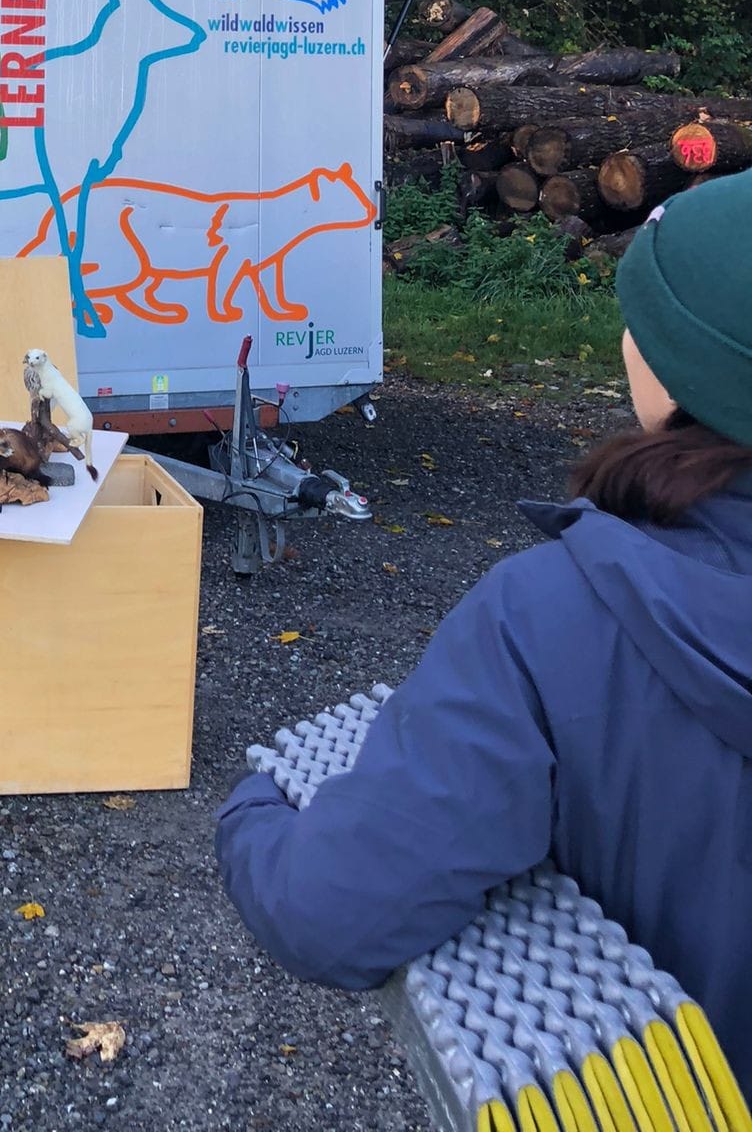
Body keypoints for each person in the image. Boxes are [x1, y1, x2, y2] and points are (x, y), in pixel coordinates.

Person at [215, 170, 752, 1086]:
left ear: (686, 370)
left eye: (644, 315)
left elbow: (331, 913)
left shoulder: (554, 618)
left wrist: (253, 809)